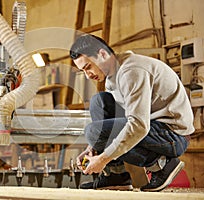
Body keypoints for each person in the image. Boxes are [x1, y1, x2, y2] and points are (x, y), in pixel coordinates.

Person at [69, 34, 194, 192]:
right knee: (99, 101)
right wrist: (91, 149)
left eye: (88, 67)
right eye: (83, 71)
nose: (88, 75)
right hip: (153, 128)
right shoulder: (111, 76)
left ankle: (162, 165)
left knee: (93, 131)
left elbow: (138, 125)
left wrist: (102, 159)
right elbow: (119, 119)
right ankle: (116, 175)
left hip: (173, 135)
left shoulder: (132, 71)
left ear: (102, 54)